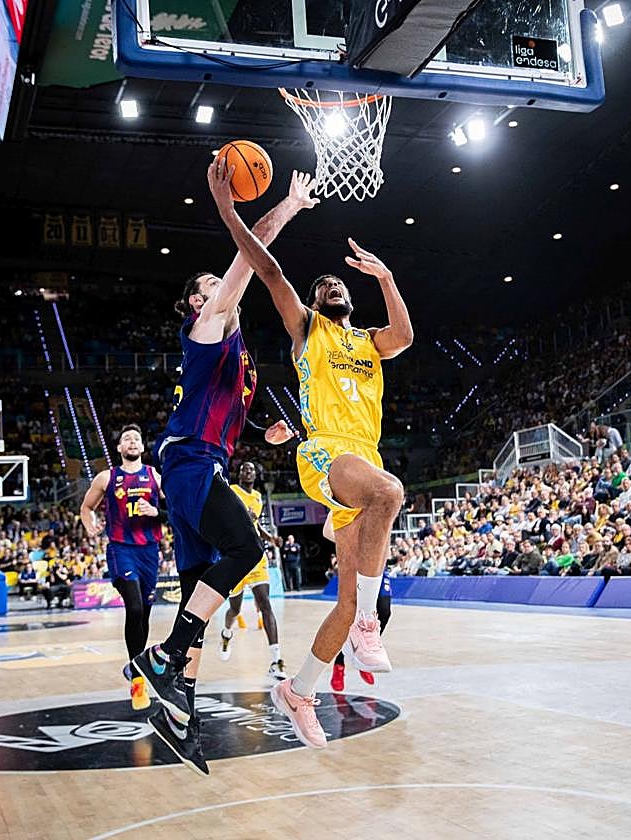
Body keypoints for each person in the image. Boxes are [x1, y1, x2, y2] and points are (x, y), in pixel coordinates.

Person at [129, 164, 318, 776]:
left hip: (196, 464)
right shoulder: (206, 327)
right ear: (196, 301)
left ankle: (179, 702)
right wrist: (282, 208)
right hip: (188, 462)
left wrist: (267, 432)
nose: (222, 282)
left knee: (197, 587)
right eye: (212, 282)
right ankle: (168, 656)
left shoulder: (239, 358)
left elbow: (237, 420)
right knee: (245, 546)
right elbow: (250, 248)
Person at [219, 166, 414, 750]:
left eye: (338, 284)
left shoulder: (367, 341)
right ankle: (367, 625)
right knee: (389, 492)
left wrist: (384, 275)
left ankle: (299, 689)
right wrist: (239, 213)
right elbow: (270, 270)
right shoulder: (309, 331)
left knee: (350, 594)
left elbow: (403, 336)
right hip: (327, 451)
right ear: (311, 302)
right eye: (322, 285)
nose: (331, 286)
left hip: (364, 453)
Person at [80, 424, 163, 710]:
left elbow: (175, 506)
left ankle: (134, 667)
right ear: (119, 448)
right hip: (121, 549)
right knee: (135, 607)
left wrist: (157, 512)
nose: (132, 442)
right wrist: (90, 524)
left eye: (136, 439)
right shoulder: (106, 477)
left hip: (150, 551)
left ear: (142, 447)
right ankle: (137, 677)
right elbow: (86, 507)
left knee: (146, 613)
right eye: (126, 438)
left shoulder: (154, 475)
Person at [219, 461, 286, 680]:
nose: (248, 472)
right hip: (235, 557)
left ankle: (276, 661)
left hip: (256, 557)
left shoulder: (257, 497)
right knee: (235, 610)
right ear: (238, 474)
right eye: (244, 469)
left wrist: (271, 538)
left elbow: (255, 526)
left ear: (256, 475)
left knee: (265, 604)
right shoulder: (232, 491)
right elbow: (228, 519)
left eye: (251, 470)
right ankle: (227, 633)